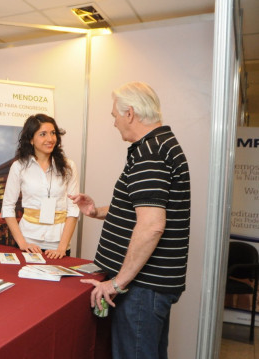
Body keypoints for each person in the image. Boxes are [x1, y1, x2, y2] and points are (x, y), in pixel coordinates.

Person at [69, 82, 190, 359]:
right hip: (149, 288)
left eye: (114, 115)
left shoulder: (151, 153)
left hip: (141, 289)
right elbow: (144, 208)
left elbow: (151, 225)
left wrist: (117, 283)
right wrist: (97, 211)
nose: (113, 123)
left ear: (130, 114)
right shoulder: (160, 145)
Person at [1, 114, 79, 259]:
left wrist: (62, 248)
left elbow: (73, 209)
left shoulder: (69, 166)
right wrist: (22, 243)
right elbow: (7, 207)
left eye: (53, 133)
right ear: (31, 139)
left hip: (58, 245)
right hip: (29, 243)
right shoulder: (19, 167)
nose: (50, 139)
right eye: (43, 134)